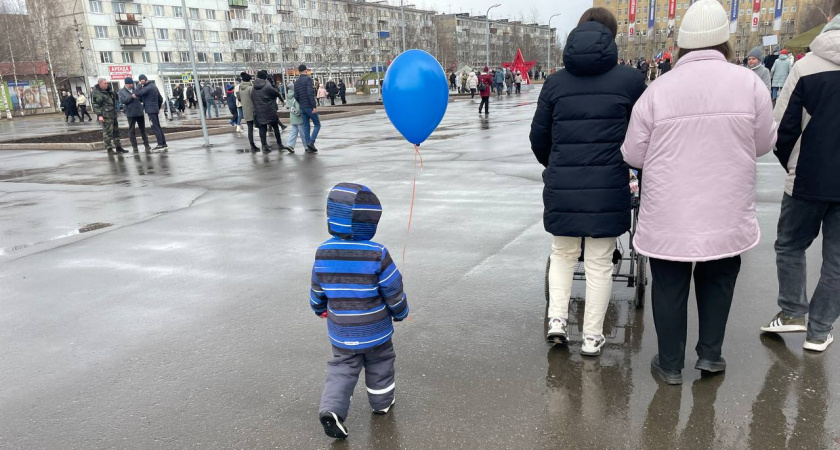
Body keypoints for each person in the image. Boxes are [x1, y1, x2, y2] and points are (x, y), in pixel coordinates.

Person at [621, 0, 777, 385]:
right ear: (725, 40)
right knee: (719, 280)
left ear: (682, 44)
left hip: (670, 211)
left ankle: (670, 364)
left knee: (669, 285)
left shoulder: (658, 90)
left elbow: (633, 154)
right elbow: (763, 143)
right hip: (726, 207)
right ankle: (710, 355)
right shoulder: (750, 84)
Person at [530, 7, 647, 357]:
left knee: (563, 252)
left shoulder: (555, 83)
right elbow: (642, 137)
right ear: (612, 36)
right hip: (609, 184)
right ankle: (593, 337)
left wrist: (557, 164)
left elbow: (538, 137)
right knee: (599, 260)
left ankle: (556, 320)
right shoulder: (631, 81)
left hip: (563, 182)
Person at [760, 2, 840, 353]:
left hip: (808, 177)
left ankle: (793, 310)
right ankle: (819, 331)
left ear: (829, 18)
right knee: (837, 261)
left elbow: (782, 127)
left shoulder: (806, 67)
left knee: (790, 244)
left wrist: (793, 165)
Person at [310, 183, 409, 440]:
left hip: (341, 331)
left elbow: (317, 288)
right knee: (381, 363)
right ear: (370, 223)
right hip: (376, 330)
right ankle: (382, 404)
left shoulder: (322, 252)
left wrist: (319, 307)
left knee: (342, 367)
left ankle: (332, 409)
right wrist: (400, 311)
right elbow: (393, 288)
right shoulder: (377, 253)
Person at [252, 70, 292, 154]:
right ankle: (279, 144)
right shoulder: (267, 85)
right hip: (269, 109)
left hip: (259, 110)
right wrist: (281, 100)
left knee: (262, 128)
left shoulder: (254, 87)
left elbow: (252, 98)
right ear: (265, 77)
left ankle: (264, 145)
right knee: (275, 126)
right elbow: (276, 93)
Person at [90, 77, 127, 154]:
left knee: (116, 131)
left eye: (106, 83)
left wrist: (115, 112)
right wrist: (99, 115)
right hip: (105, 115)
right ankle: (109, 148)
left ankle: (118, 147)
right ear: (100, 84)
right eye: (105, 83)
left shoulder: (109, 91)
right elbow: (95, 105)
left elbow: (113, 102)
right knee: (107, 132)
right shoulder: (96, 93)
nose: (106, 84)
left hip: (112, 113)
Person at [135, 75, 168, 152]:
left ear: (143, 80)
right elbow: (160, 99)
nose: (140, 82)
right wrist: (157, 107)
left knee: (155, 127)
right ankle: (163, 143)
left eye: (140, 81)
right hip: (154, 109)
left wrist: (139, 85)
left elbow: (137, 93)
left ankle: (160, 144)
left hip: (150, 110)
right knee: (158, 126)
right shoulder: (153, 86)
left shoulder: (148, 87)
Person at [118, 77, 151, 153]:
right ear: (126, 84)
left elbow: (140, 98)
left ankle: (146, 145)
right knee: (132, 131)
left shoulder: (135, 90)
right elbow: (123, 101)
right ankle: (135, 147)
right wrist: (131, 97)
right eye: (129, 84)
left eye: (131, 84)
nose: (131, 85)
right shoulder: (121, 92)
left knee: (143, 130)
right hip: (130, 113)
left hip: (139, 112)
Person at [294, 64, 320, 154]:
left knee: (306, 126)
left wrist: (301, 103)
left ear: (299, 71)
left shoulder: (296, 82)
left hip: (302, 107)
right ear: (305, 70)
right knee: (317, 124)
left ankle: (308, 146)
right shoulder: (308, 79)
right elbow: (309, 93)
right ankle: (311, 142)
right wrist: (314, 106)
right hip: (309, 106)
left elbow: (295, 96)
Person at [236, 72, 259, 153]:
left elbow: (239, 98)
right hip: (253, 110)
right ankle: (263, 144)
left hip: (245, 110)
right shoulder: (250, 88)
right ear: (249, 80)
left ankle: (252, 144)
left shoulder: (240, 88)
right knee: (261, 126)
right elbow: (255, 99)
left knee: (250, 128)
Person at [284, 88, 307, 152]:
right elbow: (298, 108)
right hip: (299, 118)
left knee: (294, 131)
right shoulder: (296, 96)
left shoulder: (288, 96)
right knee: (303, 133)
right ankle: (307, 146)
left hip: (292, 117)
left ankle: (290, 145)